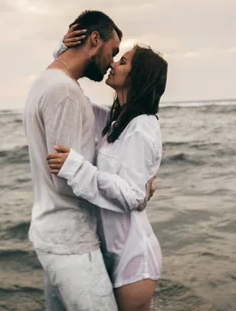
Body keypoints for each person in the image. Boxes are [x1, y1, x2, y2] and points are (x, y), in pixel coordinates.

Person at [47, 27, 168, 311]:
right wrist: (63, 54)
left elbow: (134, 196)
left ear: (138, 77)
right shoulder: (116, 121)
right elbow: (74, 101)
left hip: (134, 260)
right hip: (112, 253)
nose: (113, 63)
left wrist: (76, 168)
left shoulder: (141, 127)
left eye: (123, 61)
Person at [23, 10, 123, 310]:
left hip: (54, 234)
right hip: (71, 242)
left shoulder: (49, 81)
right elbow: (65, 179)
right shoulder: (63, 92)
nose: (112, 63)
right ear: (95, 39)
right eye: (113, 51)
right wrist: (126, 190)